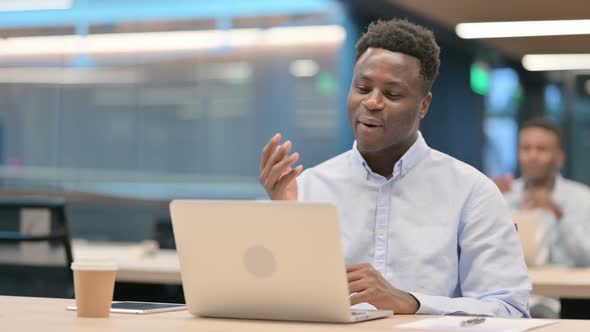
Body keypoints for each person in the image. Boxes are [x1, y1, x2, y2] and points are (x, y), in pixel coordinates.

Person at [259, 19, 531, 317]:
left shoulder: (473, 192)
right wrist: (284, 218)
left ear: (423, 106)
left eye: (392, 94)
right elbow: (281, 300)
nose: (372, 102)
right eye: (362, 88)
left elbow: (510, 309)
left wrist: (412, 303)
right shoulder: (307, 186)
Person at [494, 118, 590, 318]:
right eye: (526, 148)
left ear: (560, 158)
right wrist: (490, 196)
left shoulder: (581, 197)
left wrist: (559, 215)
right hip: (510, 297)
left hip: (566, 301)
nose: (532, 156)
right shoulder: (502, 195)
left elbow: (586, 257)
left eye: (541, 149)